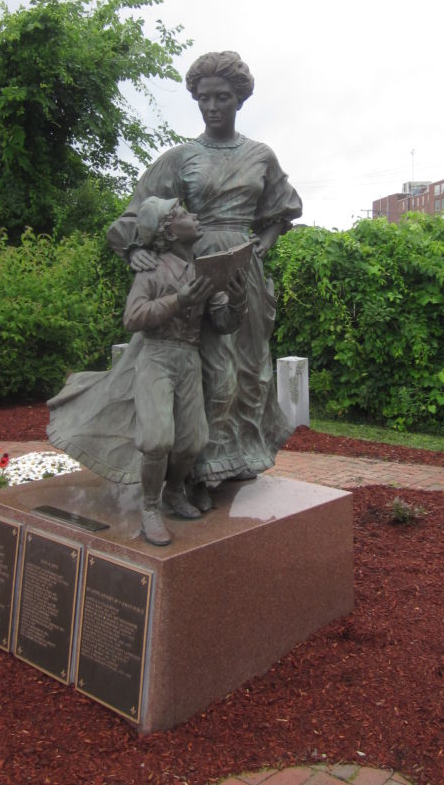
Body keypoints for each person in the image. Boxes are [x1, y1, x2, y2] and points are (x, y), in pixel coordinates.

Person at [107, 50, 302, 509]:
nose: (212, 107)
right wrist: (135, 248)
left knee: (248, 371)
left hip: (243, 272)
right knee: (208, 374)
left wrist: (265, 243)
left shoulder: (260, 156)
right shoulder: (182, 157)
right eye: (204, 98)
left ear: (239, 100)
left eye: (223, 98)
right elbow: (138, 213)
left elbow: (282, 210)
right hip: (195, 270)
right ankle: (192, 471)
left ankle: (236, 458)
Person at [123, 195, 246, 545]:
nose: (194, 216)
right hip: (157, 356)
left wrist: (236, 300)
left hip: (189, 357)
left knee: (193, 440)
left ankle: (174, 490)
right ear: (168, 230)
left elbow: (223, 322)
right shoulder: (152, 269)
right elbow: (132, 317)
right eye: (183, 214)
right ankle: (149, 507)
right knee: (158, 437)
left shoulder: (203, 271)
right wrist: (179, 300)